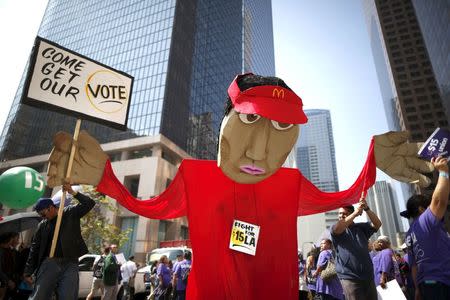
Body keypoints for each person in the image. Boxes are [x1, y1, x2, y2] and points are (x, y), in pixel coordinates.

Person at [47, 73, 435, 299]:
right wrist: (105, 178)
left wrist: (372, 161)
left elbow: (345, 196)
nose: (262, 149)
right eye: (250, 120)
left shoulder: (289, 183)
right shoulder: (196, 176)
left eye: (282, 126)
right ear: (228, 119)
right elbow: (150, 207)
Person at [23, 183, 95, 300]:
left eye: (43, 214)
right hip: (50, 262)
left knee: (68, 296)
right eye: (40, 215)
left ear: (51, 208)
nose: (42, 217)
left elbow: (90, 203)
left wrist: (72, 192)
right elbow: (34, 249)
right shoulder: (42, 225)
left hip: (70, 263)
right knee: (39, 296)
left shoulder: (70, 213)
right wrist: (28, 272)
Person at [402, 156, 450, 299]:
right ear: (422, 209)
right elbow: (438, 201)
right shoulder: (425, 220)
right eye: (428, 207)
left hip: (426, 284)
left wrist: (417, 289)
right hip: (442, 282)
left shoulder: (409, 234)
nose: (431, 209)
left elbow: (414, 266)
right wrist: (443, 171)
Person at [330, 197, 382, 300]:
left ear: (351, 214)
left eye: (344, 213)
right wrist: (355, 213)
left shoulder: (361, 228)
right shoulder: (336, 229)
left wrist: (366, 208)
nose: (341, 215)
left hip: (368, 276)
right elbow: (338, 228)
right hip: (350, 278)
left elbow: (378, 224)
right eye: (339, 213)